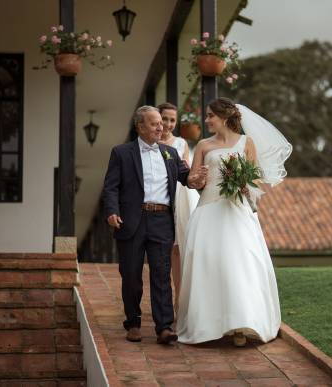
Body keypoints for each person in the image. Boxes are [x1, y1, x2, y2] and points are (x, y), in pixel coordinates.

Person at [176, 97, 292, 346]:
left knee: (239, 264)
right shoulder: (204, 146)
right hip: (208, 208)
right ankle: (206, 324)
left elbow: (255, 179)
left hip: (236, 211)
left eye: (210, 116)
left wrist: (243, 184)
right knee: (208, 263)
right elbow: (193, 182)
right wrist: (196, 179)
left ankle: (240, 325)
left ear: (225, 117)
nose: (206, 120)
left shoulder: (246, 143)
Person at [102, 106, 207, 344]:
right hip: (131, 221)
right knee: (131, 275)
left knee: (161, 274)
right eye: (154, 124)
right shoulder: (121, 152)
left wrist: (198, 178)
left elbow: (187, 179)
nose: (161, 127)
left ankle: (164, 327)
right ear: (139, 126)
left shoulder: (170, 153)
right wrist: (112, 212)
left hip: (161, 221)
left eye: (161, 123)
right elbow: (111, 187)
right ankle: (133, 322)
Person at [157, 103, 200, 314]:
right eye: (165, 119)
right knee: (163, 250)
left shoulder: (181, 143)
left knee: (178, 248)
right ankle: (165, 297)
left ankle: (179, 298)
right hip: (159, 195)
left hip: (180, 196)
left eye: (172, 120)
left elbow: (187, 172)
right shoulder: (150, 142)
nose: (168, 124)